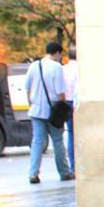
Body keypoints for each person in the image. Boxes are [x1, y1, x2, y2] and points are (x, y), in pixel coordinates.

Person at [25, 41, 73, 184]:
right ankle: (64, 172)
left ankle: (33, 174)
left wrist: (31, 104)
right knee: (57, 141)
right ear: (57, 53)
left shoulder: (34, 66)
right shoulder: (56, 67)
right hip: (52, 111)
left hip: (36, 110)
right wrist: (63, 107)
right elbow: (60, 92)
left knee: (37, 142)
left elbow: (27, 88)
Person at [63, 48, 79, 173]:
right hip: (76, 102)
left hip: (65, 102)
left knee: (71, 134)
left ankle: (73, 166)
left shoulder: (63, 69)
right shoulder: (80, 69)